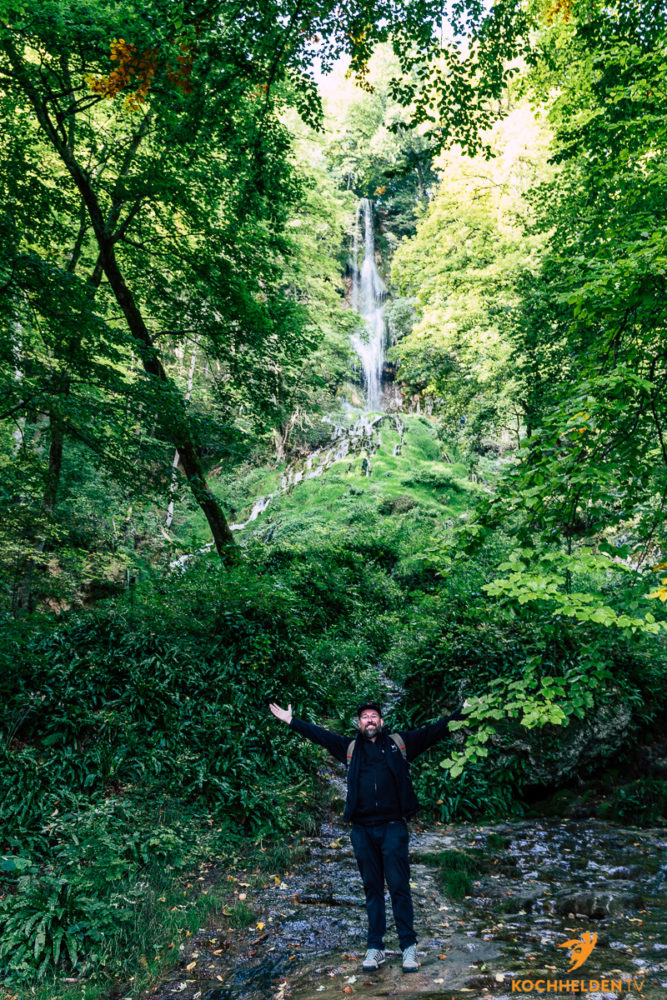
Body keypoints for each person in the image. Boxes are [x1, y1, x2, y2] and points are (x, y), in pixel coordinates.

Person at [269, 699, 462, 974]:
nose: (369, 720)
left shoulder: (400, 743)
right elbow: (321, 736)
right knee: (372, 889)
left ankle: (408, 947)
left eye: (374, 716)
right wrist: (291, 721)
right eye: (364, 717)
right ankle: (376, 947)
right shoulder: (349, 748)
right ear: (358, 724)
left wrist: (464, 711)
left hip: (393, 827)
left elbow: (436, 731)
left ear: (381, 722)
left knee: (399, 887)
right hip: (361, 830)